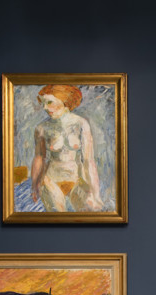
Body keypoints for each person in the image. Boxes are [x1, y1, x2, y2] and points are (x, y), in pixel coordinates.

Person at [30, 84, 104, 212]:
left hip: (77, 180)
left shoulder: (81, 124)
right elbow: (39, 157)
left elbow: (88, 160)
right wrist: (34, 185)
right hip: (51, 180)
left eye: (49, 102)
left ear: (63, 100)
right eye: (43, 103)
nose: (45, 108)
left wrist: (95, 193)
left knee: (89, 213)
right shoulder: (41, 128)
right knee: (58, 217)